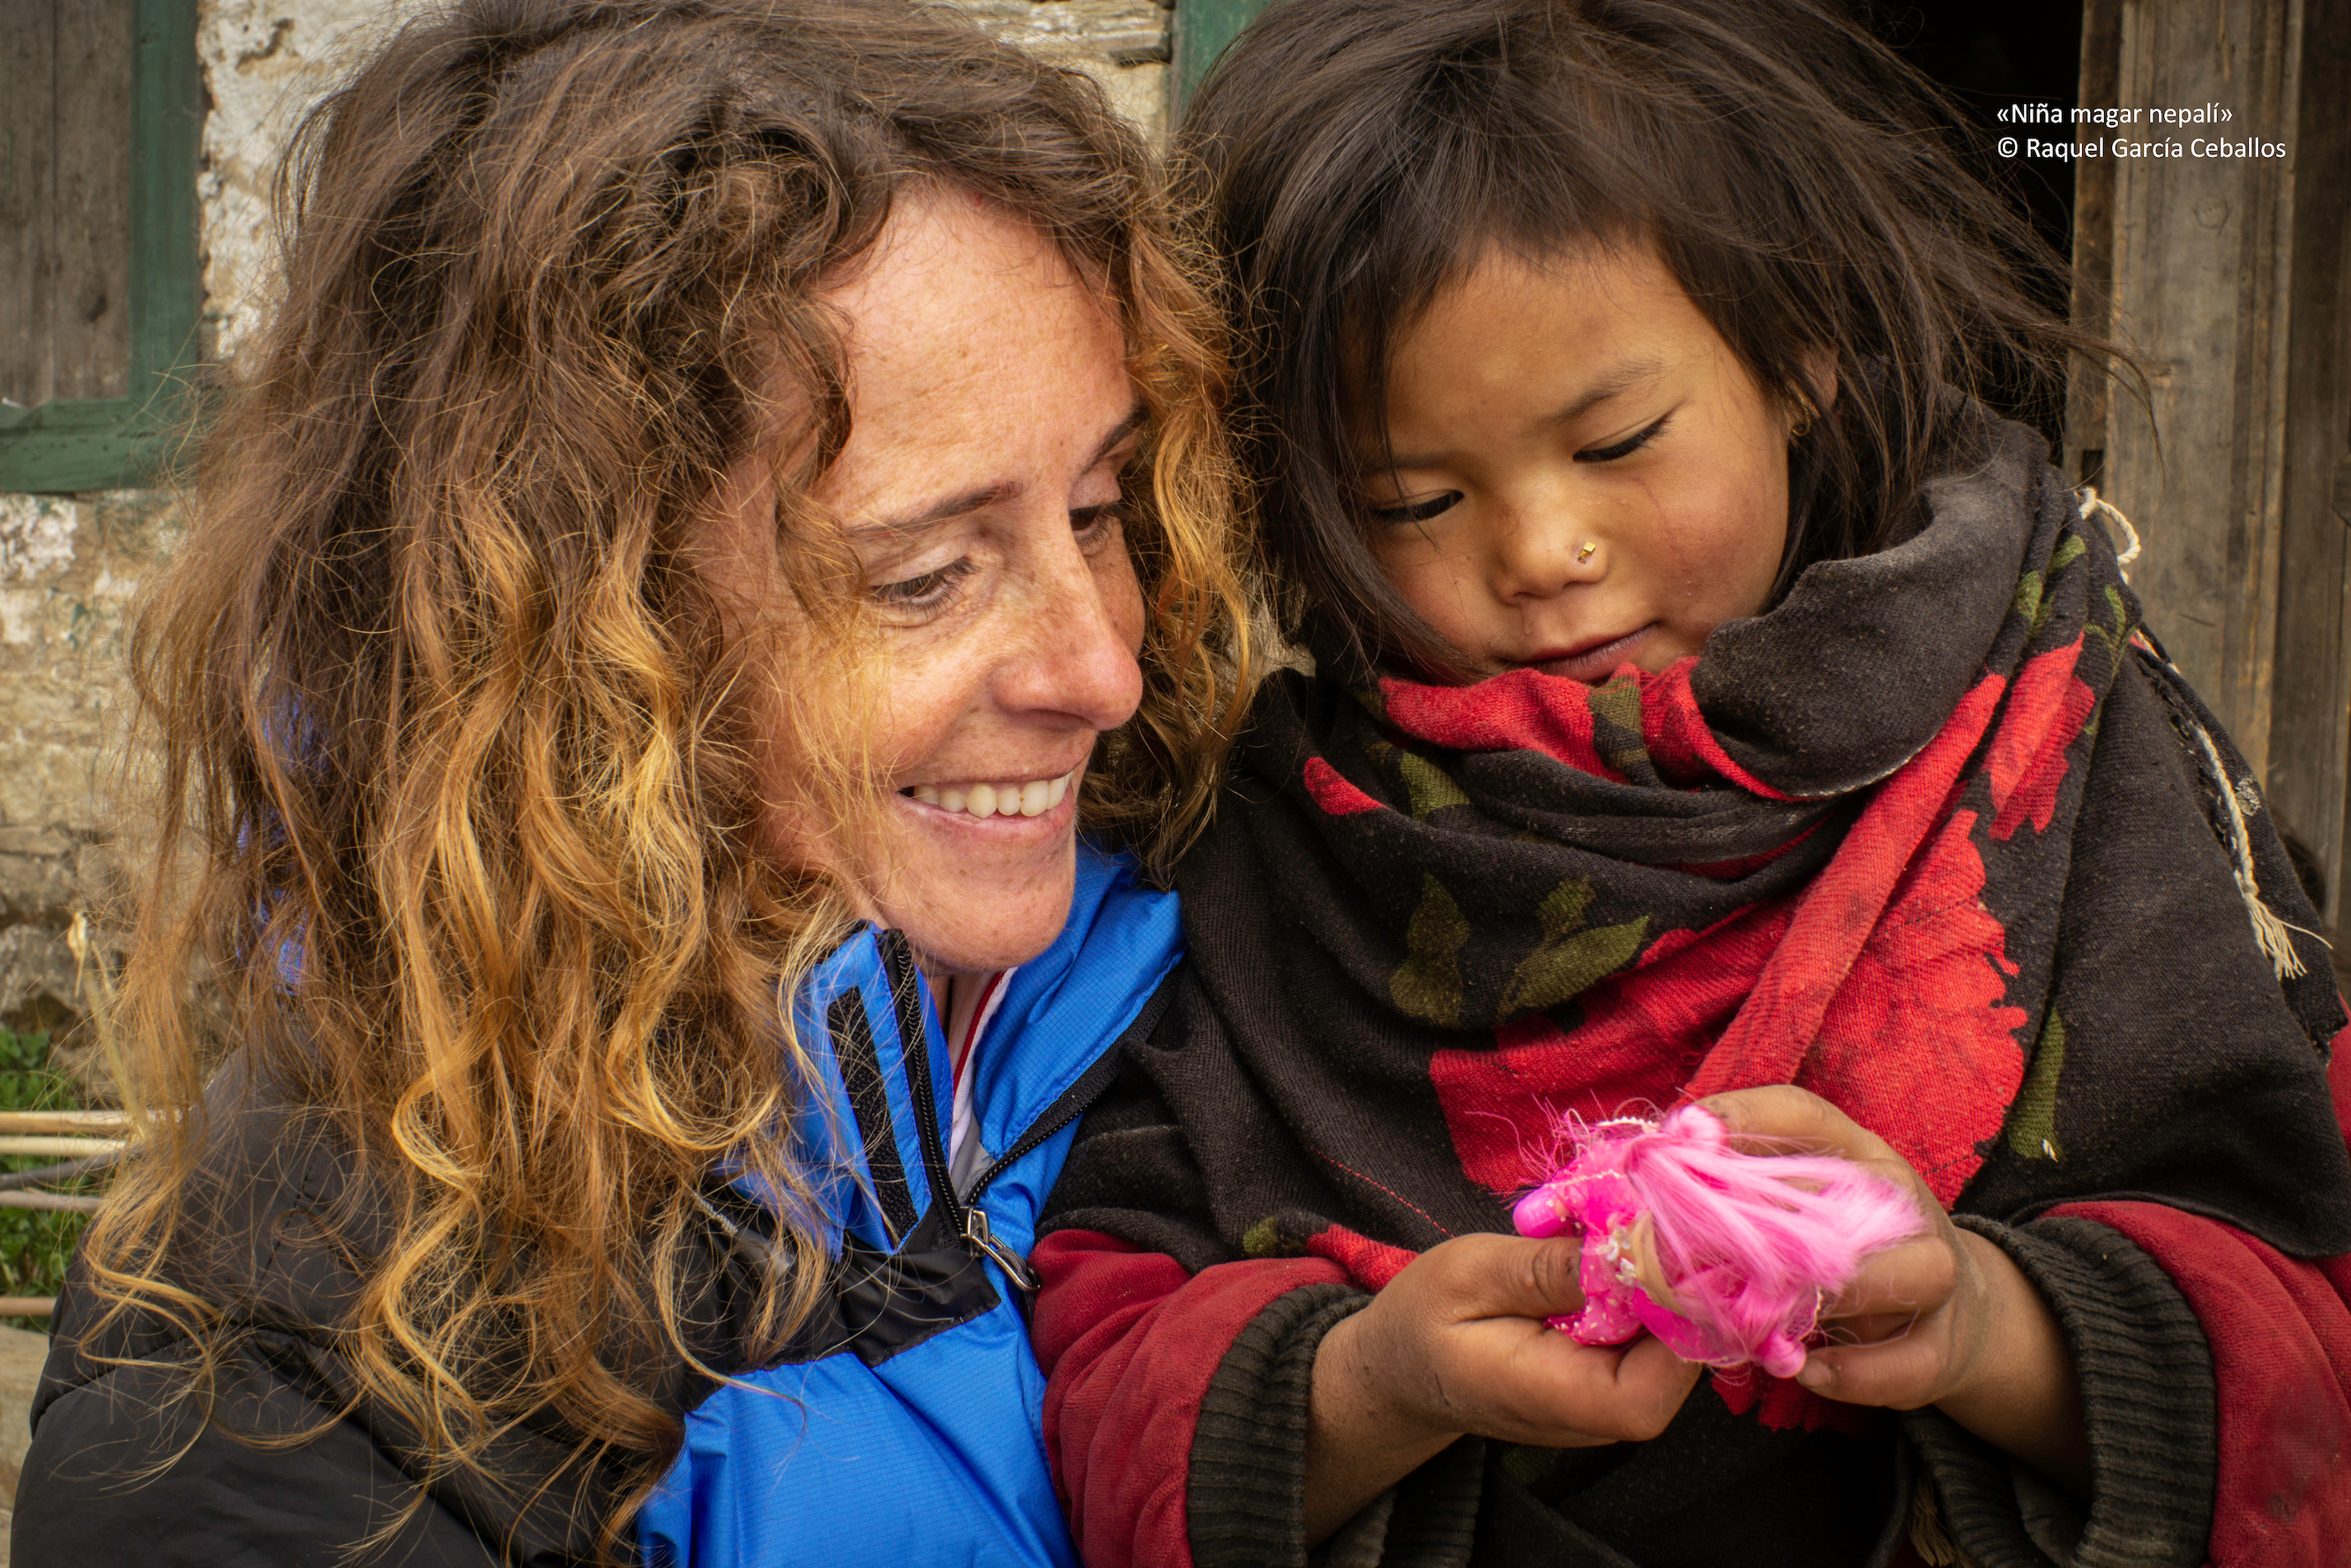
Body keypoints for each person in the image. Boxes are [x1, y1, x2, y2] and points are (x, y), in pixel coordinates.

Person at [1030, 2, 2351, 1564]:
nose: (1539, 554)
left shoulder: (2054, 733)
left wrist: (1981, 1320)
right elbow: (1104, 1367)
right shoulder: (1274, 852)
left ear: (1793, 353)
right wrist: (1372, 1380)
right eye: (1416, 499)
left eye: (1619, 440)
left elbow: (2306, 1325)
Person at [12, 3, 1250, 1564]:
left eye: (1097, 506)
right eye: (926, 575)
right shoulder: (267, 1404)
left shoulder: (1235, 970)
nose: (1103, 670)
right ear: (567, 640)